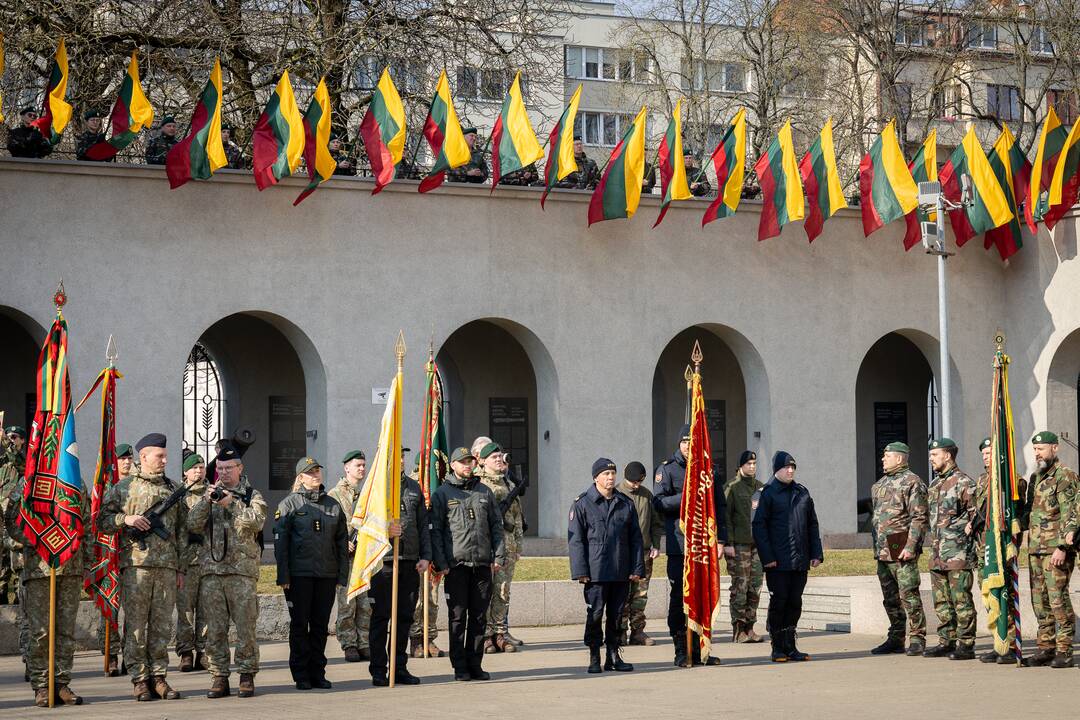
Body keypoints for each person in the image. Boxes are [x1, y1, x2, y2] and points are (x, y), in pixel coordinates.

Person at [99, 433, 187, 702]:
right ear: (144, 456)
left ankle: (159, 677)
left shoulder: (173, 489)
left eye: (165, 455)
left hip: (166, 568)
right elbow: (102, 520)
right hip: (136, 567)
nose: (164, 460)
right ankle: (139, 679)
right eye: (159, 456)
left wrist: (181, 568)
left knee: (161, 626)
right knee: (136, 626)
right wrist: (126, 519)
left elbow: (182, 531)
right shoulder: (123, 488)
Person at [4, 471, 92, 706]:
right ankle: (42, 686)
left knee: (65, 631)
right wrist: (40, 537)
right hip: (40, 569)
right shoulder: (28, 482)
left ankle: (61, 683)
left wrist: (89, 563)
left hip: (71, 567)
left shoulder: (73, 479)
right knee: (40, 632)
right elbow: (10, 524)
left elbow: (87, 523)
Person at [187, 443, 267, 698]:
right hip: (212, 572)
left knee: (245, 628)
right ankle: (219, 676)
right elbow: (192, 524)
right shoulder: (210, 493)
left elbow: (256, 522)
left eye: (228, 468)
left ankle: (246, 674)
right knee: (215, 629)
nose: (223, 473)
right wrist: (206, 501)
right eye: (219, 468)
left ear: (239, 468)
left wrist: (231, 503)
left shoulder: (252, 495)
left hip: (242, 573)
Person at [653, 423, 727, 666]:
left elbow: (720, 508)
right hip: (680, 546)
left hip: (703, 547)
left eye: (692, 443)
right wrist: (687, 494)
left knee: (701, 596)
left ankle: (700, 649)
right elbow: (659, 503)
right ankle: (681, 650)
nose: (688, 447)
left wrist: (721, 540)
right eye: (684, 443)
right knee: (679, 598)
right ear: (679, 444)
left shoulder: (709, 471)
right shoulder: (668, 470)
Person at [430, 447, 506, 681]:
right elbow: (436, 531)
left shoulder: (484, 492)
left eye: (470, 461)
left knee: (479, 618)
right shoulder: (442, 494)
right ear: (452, 465)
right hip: (456, 566)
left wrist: (499, 556)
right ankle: (460, 666)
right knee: (457, 617)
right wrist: (441, 562)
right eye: (462, 462)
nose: (467, 465)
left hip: (482, 565)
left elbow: (496, 527)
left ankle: (475, 664)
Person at [274, 457, 349, 690]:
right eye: (310, 472)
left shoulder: (333, 505)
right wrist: (283, 576)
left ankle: (318, 672)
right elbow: (281, 545)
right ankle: (301, 674)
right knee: (300, 625)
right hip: (299, 575)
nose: (316, 475)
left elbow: (341, 543)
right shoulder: (289, 505)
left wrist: (342, 576)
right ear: (301, 477)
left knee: (319, 626)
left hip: (326, 575)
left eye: (317, 470)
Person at [569, 458, 644, 673]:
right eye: (605, 474)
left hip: (620, 570)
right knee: (595, 614)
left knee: (617, 615)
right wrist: (581, 571)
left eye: (613, 474)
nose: (610, 478)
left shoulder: (625, 503)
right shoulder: (582, 503)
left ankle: (613, 655)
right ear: (596, 477)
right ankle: (594, 656)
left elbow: (635, 539)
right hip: (596, 572)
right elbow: (576, 541)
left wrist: (637, 568)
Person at [751, 451, 823, 662]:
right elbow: (759, 528)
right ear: (777, 470)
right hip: (777, 561)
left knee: (795, 602)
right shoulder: (766, 494)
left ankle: (791, 646)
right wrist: (768, 557)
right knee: (779, 601)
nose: (790, 471)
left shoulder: (802, 493)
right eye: (786, 467)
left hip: (799, 560)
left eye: (793, 467)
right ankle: (777, 646)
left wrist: (816, 553)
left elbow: (812, 524)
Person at [368, 453, 432, 686]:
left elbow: (423, 525)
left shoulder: (414, 487)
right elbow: (363, 522)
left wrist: (426, 556)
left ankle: (399, 667)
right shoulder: (375, 487)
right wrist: (386, 531)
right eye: (395, 456)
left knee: (404, 618)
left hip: (409, 561)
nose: (401, 461)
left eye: (402, 457)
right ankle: (378, 669)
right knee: (381, 617)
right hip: (383, 562)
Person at [1023, 431, 1078, 668]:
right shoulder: (1036, 477)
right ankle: (1045, 647)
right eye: (1035, 450)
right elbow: (1028, 513)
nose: (1037, 454)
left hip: (1055, 550)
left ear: (1055, 448)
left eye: (1041, 449)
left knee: (1058, 600)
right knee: (1040, 601)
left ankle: (1064, 650)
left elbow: (1072, 515)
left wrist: (1064, 547)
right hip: (1036, 549)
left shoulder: (1065, 476)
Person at [868, 441, 928, 656]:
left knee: (908, 593)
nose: (883, 459)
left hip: (901, 545)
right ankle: (896, 637)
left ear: (900, 458)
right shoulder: (879, 484)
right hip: (883, 550)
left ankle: (917, 637)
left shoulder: (913, 482)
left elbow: (919, 517)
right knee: (890, 597)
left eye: (887, 455)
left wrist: (911, 546)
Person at [922, 438, 978, 661]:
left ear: (948, 456)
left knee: (961, 599)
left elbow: (977, 516)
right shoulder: (935, 485)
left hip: (957, 554)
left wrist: (967, 531)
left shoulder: (964, 482)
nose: (931, 458)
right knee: (942, 601)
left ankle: (966, 643)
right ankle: (946, 640)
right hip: (937, 554)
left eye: (935, 454)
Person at [478, 442, 524, 654]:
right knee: (486, 592)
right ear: (483, 461)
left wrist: (518, 545)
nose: (498, 459)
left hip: (508, 546)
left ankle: (500, 633)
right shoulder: (478, 484)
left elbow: (516, 517)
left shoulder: (508, 483)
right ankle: (486, 635)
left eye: (499, 456)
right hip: (488, 547)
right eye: (493, 457)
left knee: (503, 592)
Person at [327, 450, 371, 663]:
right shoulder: (335, 495)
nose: (361, 469)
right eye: (357, 465)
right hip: (345, 558)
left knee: (365, 603)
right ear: (347, 468)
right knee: (347, 602)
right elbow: (330, 526)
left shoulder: (367, 493)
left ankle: (364, 642)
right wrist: (342, 543)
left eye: (363, 465)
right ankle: (349, 643)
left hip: (364, 556)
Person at [616, 461, 662, 646]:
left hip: (643, 553)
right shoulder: (617, 494)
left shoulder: (646, 495)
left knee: (640, 594)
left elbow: (656, 523)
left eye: (639, 482)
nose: (636, 485)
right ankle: (619, 632)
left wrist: (656, 545)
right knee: (622, 594)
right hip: (622, 553)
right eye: (633, 482)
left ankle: (638, 631)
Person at [98, 442, 134, 676]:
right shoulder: (105, 488)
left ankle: (130, 656)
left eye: (130, 459)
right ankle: (110, 654)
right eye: (122, 459)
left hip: (131, 555)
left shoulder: (136, 486)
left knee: (133, 611)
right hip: (108, 554)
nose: (127, 462)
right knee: (109, 608)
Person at [724, 450, 765, 643]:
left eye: (754, 464)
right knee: (740, 587)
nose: (752, 467)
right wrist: (728, 543)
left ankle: (750, 627)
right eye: (748, 463)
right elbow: (726, 519)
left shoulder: (761, 488)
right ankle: (738, 628)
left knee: (755, 587)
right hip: (738, 545)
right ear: (741, 466)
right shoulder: (732, 487)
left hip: (757, 545)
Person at [409, 451, 445, 659]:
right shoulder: (414, 486)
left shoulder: (440, 486)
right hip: (418, 550)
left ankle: (429, 637)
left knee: (432, 597)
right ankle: (415, 639)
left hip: (435, 548)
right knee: (417, 600)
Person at [176, 452, 208, 672]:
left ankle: (203, 652)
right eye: (194, 467)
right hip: (186, 562)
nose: (198, 470)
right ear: (185, 472)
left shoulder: (212, 493)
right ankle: (186, 652)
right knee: (185, 610)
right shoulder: (178, 495)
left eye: (202, 467)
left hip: (208, 560)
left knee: (206, 610)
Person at [0, 425, 26, 606]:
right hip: (0, 517)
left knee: (17, 560)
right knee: (1, 565)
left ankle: (19, 601)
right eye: (8, 436)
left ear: (22, 441)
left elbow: (15, 458)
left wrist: (4, 440)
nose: (11, 439)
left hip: (16, 518)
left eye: (15, 437)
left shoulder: (23, 459)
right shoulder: (2, 461)